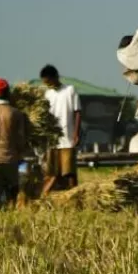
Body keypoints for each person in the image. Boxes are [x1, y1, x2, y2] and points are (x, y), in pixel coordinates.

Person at [0, 77, 33, 210]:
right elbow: (21, 139)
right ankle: (11, 213)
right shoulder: (16, 113)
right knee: (12, 193)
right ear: (7, 93)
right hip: (11, 157)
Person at [40, 64, 81, 193]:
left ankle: (75, 195)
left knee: (69, 172)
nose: (48, 85)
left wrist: (76, 134)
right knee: (52, 173)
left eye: (49, 82)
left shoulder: (70, 90)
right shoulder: (47, 94)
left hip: (68, 138)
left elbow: (77, 112)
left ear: (55, 77)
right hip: (52, 140)